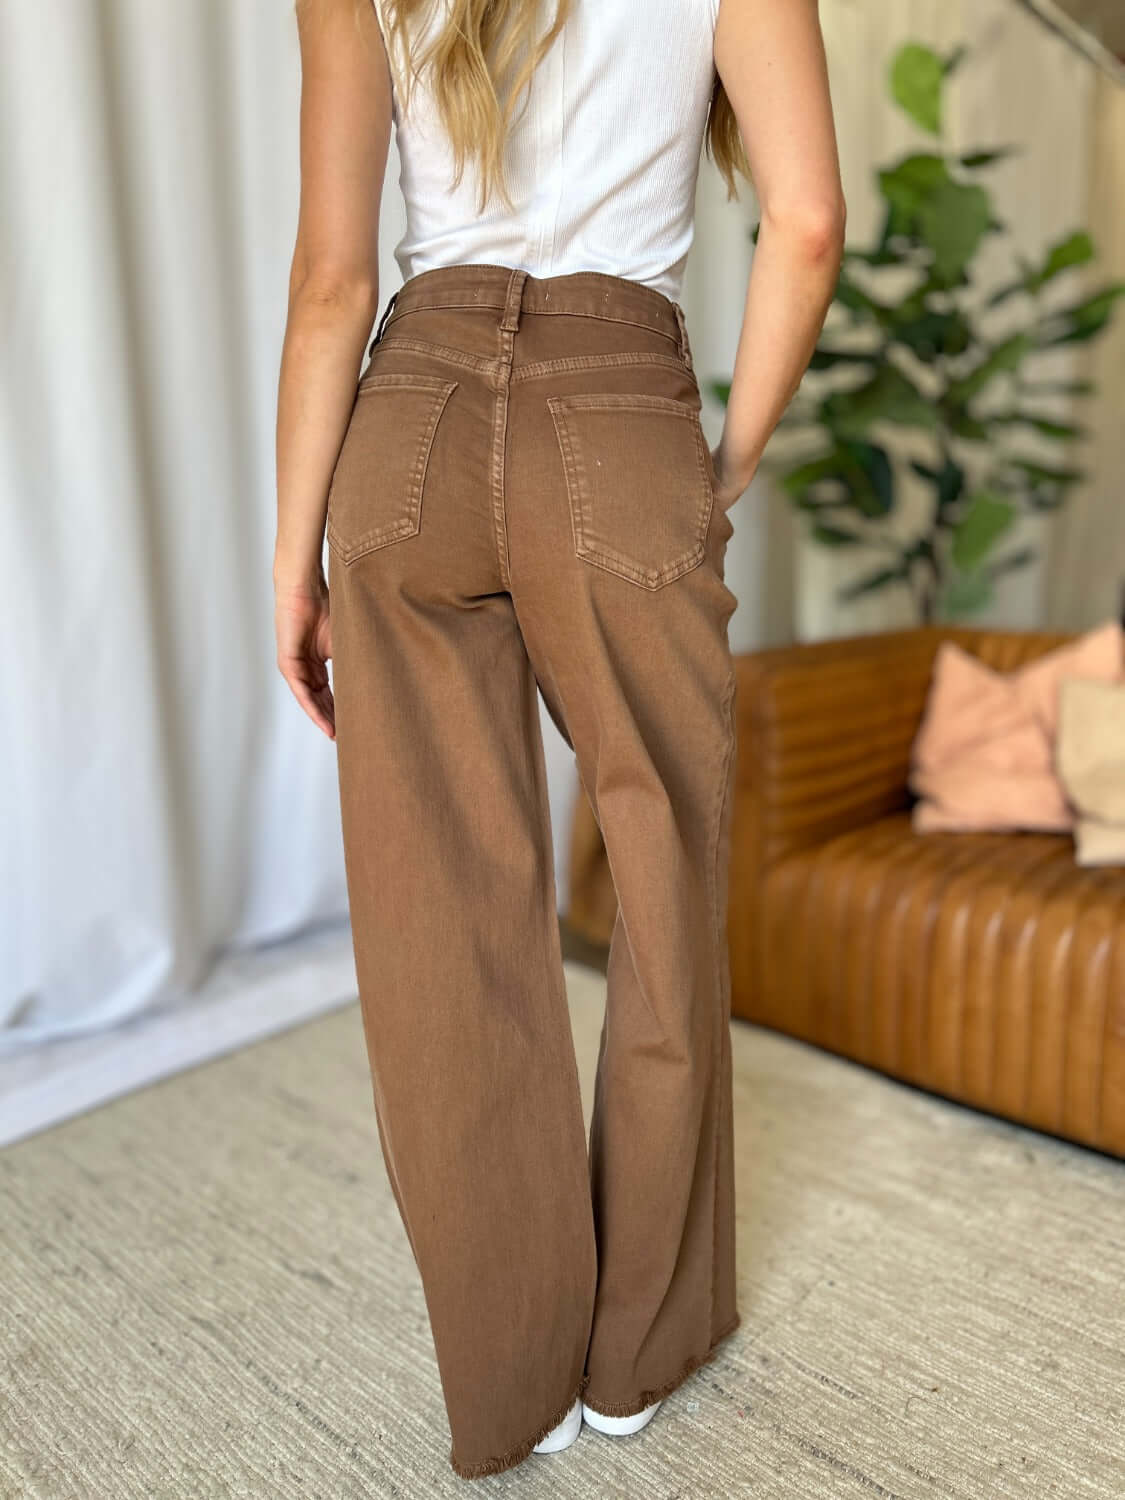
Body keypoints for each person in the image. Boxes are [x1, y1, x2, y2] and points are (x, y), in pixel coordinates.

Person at [274, 0, 844, 1479]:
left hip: (406, 432)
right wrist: (716, 466)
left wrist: (294, 560)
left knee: (438, 928)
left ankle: (507, 1376)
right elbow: (808, 224)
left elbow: (334, 279)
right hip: (618, 413)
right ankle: (629, 1357)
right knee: (662, 894)